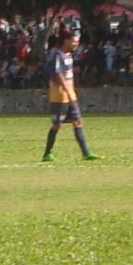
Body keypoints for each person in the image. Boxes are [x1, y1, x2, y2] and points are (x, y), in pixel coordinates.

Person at [41, 23, 97, 162]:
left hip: (70, 94)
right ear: (66, 40)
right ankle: (47, 153)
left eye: (77, 42)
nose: (76, 44)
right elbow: (57, 74)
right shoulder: (57, 54)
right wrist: (68, 91)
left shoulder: (69, 55)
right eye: (73, 41)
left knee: (77, 121)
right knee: (57, 124)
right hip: (60, 96)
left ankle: (86, 153)